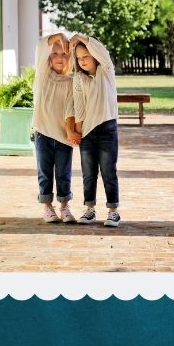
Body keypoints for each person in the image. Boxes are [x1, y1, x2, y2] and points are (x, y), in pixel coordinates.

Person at [66, 34, 121, 226]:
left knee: (108, 171)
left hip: (108, 129)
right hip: (88, 133)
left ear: (95, 57)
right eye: (79, 58)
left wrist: (80, 37)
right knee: (88, 173)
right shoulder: (79, 78)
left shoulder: (106, 71)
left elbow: (102, 50)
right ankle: (89, 210)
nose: (82, 61)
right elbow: (79, 105)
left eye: (85, 57)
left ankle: (113, 211)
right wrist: (78, 130)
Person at [31, 32, 77, 223]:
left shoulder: (72, 82)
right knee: (45, 172)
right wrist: (60, 36)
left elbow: (70, 109)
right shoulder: (42, 75)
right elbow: (41, 45)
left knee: (64, 173)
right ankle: (48, 207)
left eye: (64, 54)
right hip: (43, 132)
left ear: (70, 59)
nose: (60, 58)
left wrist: (70, 132)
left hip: (63, 136)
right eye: (55, 54)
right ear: (49, 57)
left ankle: (65, 207)